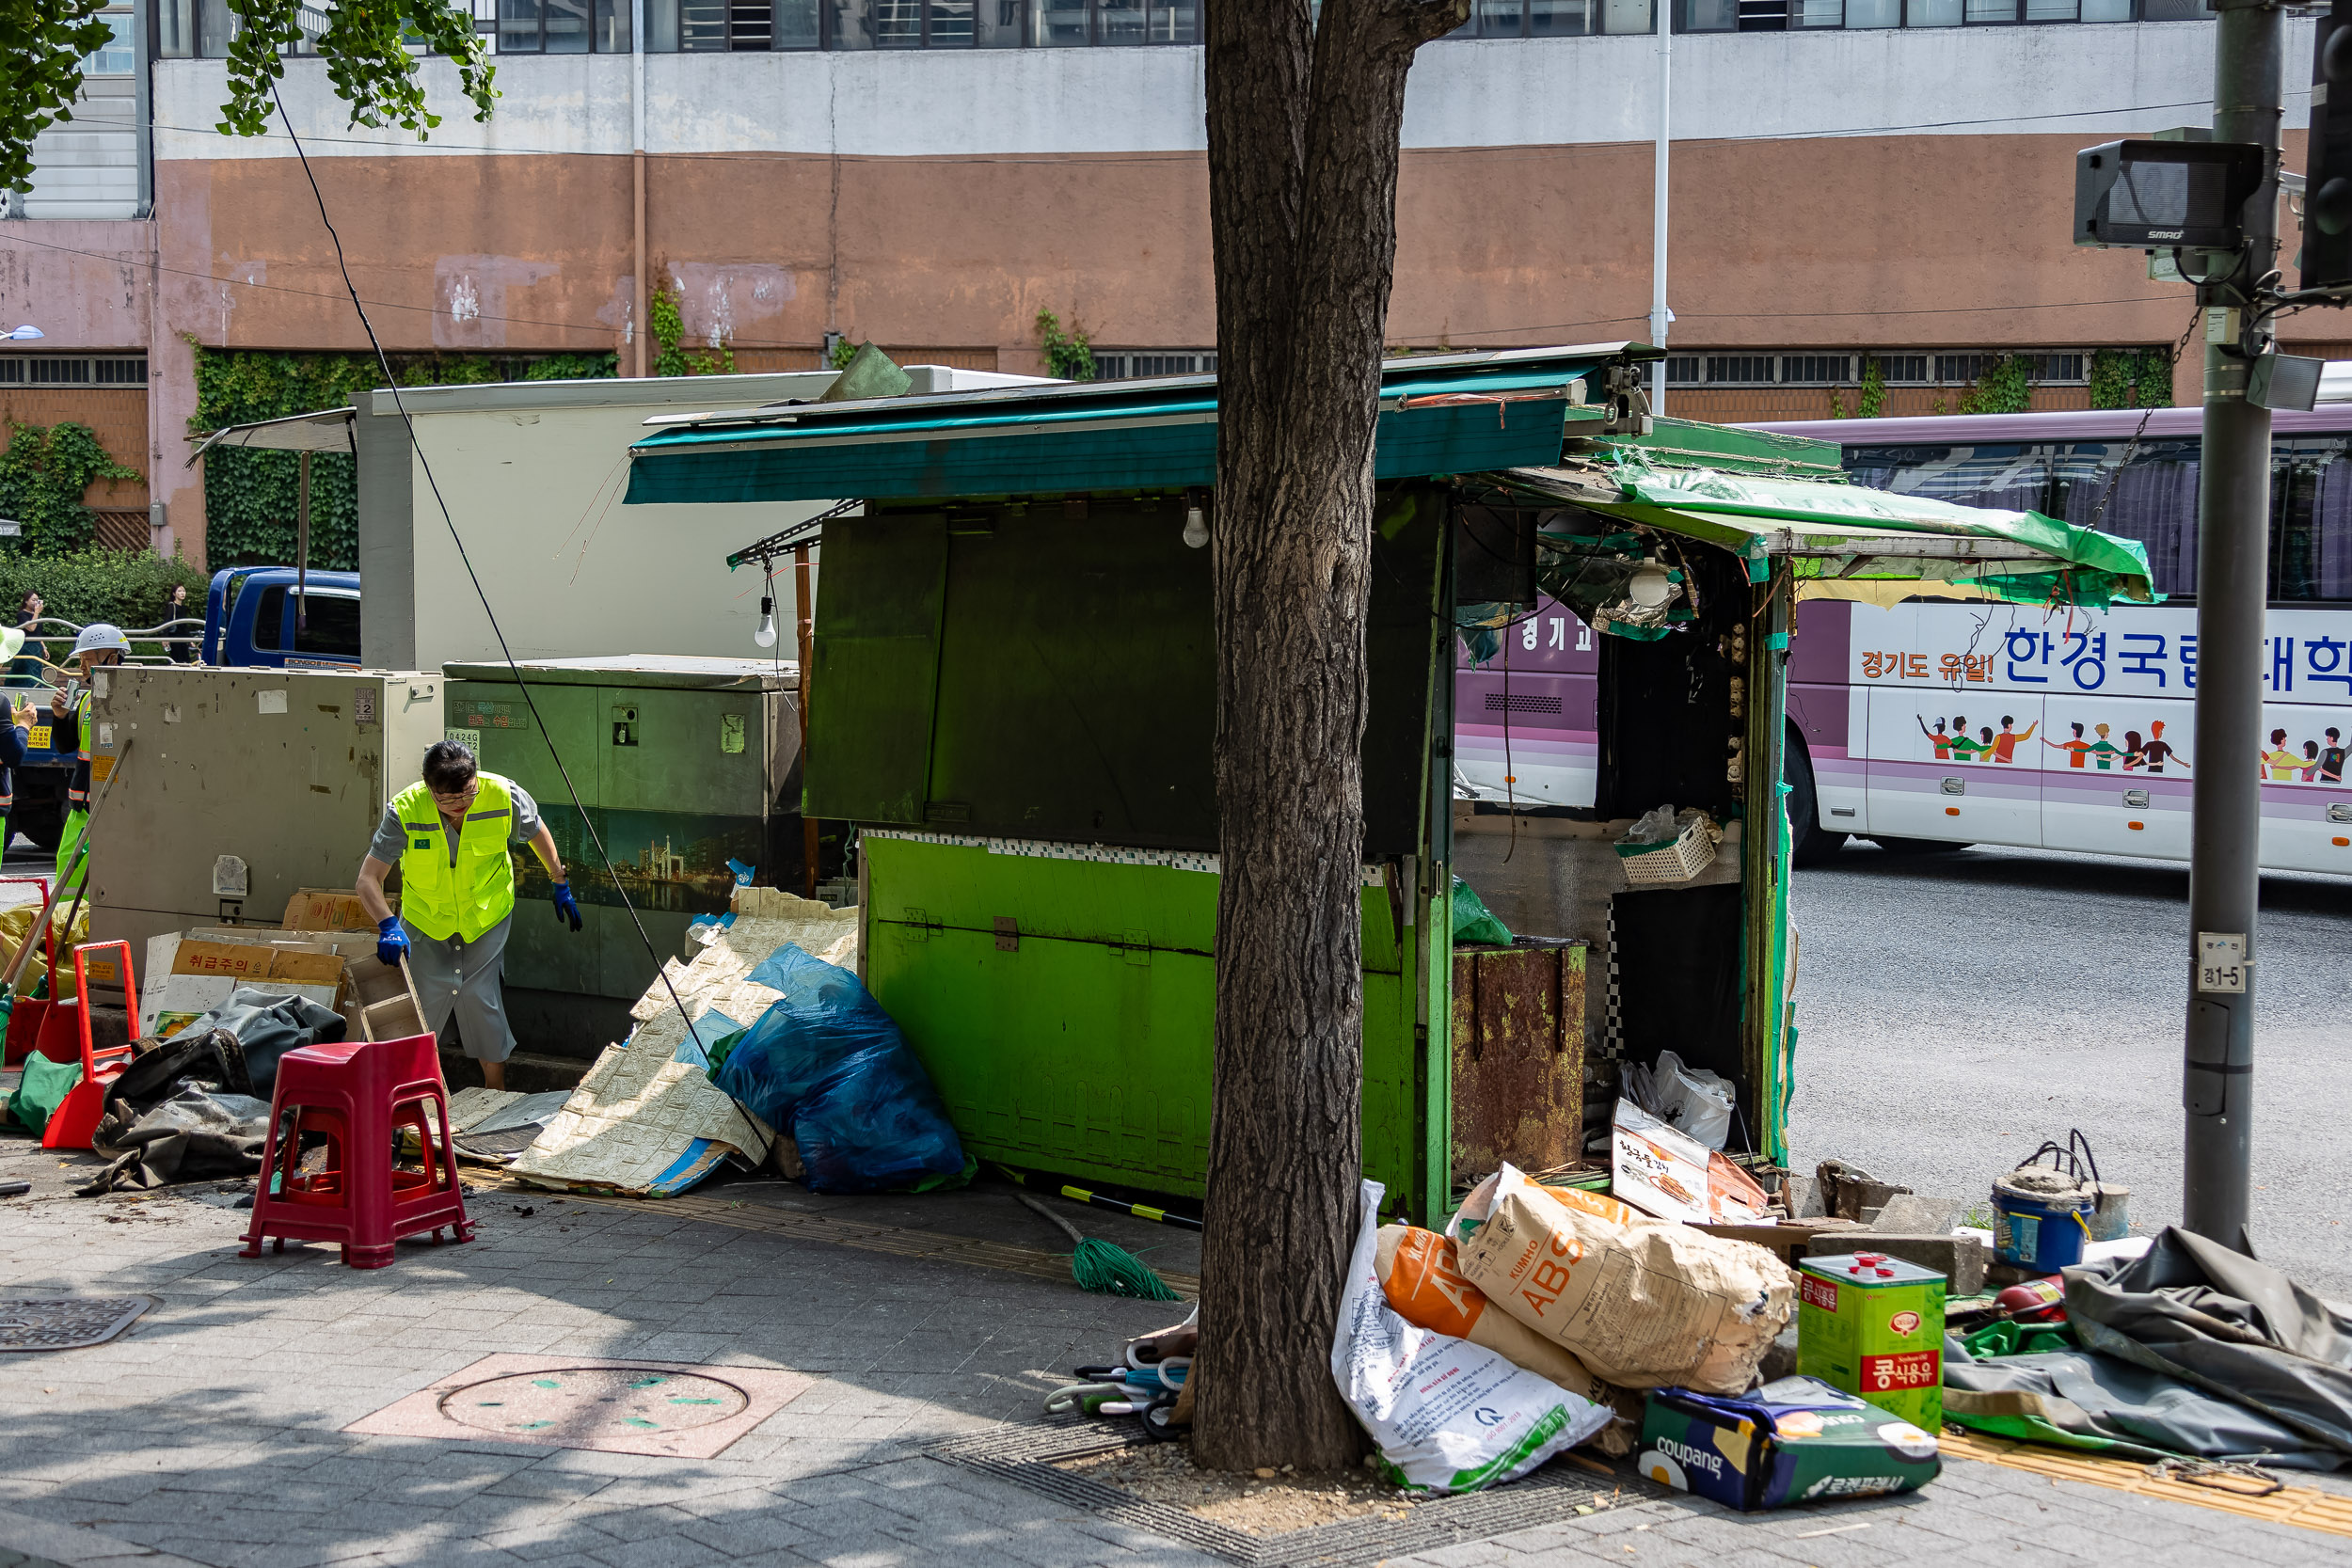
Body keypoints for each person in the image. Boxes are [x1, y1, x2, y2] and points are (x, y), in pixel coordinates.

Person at [354, 740, 581, 1091]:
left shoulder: (502, 795)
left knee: (480, 999)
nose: (461, 805)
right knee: (420, 1013)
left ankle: (495, 1093)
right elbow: (368, 880)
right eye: (448, 799)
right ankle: (414, 1101)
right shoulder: (405, 811)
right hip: (426, 921)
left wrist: (559, 881)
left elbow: (536, 830)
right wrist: (387, 924)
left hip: (485, 917)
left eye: (468, 794)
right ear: (430, 789)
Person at [49, 624, 128, 891]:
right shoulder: (85, 700)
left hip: (115, 813)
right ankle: (66, 933)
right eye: (81, 660)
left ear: (113, 658)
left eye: (89, 659)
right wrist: (59, 717)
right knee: (66, 888)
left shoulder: (134, 701)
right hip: (79, 813)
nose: (82, 667)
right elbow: (65, 746)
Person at [160, 582, 198, 664]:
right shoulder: (171, 605)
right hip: (175, 637)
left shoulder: (183, 608)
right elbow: (166, 622)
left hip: (183, 638)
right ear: (174, 593)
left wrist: (190, 640)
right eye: (179, 591)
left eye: (183, 591)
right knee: (177, 660)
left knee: (186, 660)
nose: (182, 593)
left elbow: (184, 626)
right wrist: (165, 638)